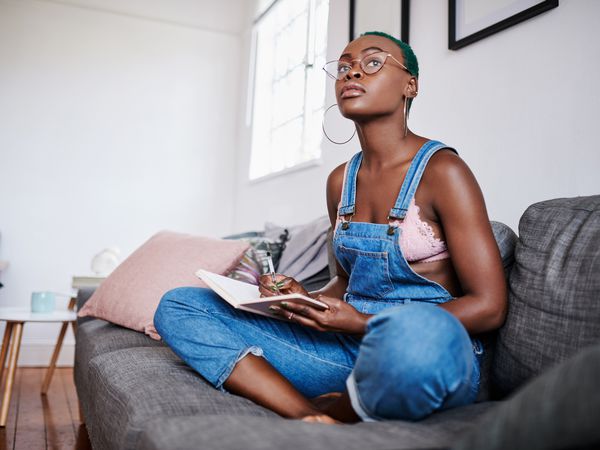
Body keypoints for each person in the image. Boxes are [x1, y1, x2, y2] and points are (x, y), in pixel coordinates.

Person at [154, 31, 507, 424]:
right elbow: (345, 282)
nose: (352, 71)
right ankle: (311, 414)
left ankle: (346, 407)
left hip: (425, 353)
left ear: (411, 85)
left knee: (414, 338)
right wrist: (305, 299)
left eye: (372, 62)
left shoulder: (444, 171)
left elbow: (490, 306)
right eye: (343, 67)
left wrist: (364, 323)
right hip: (344, 350)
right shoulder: (341, 181)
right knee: (178, 305)